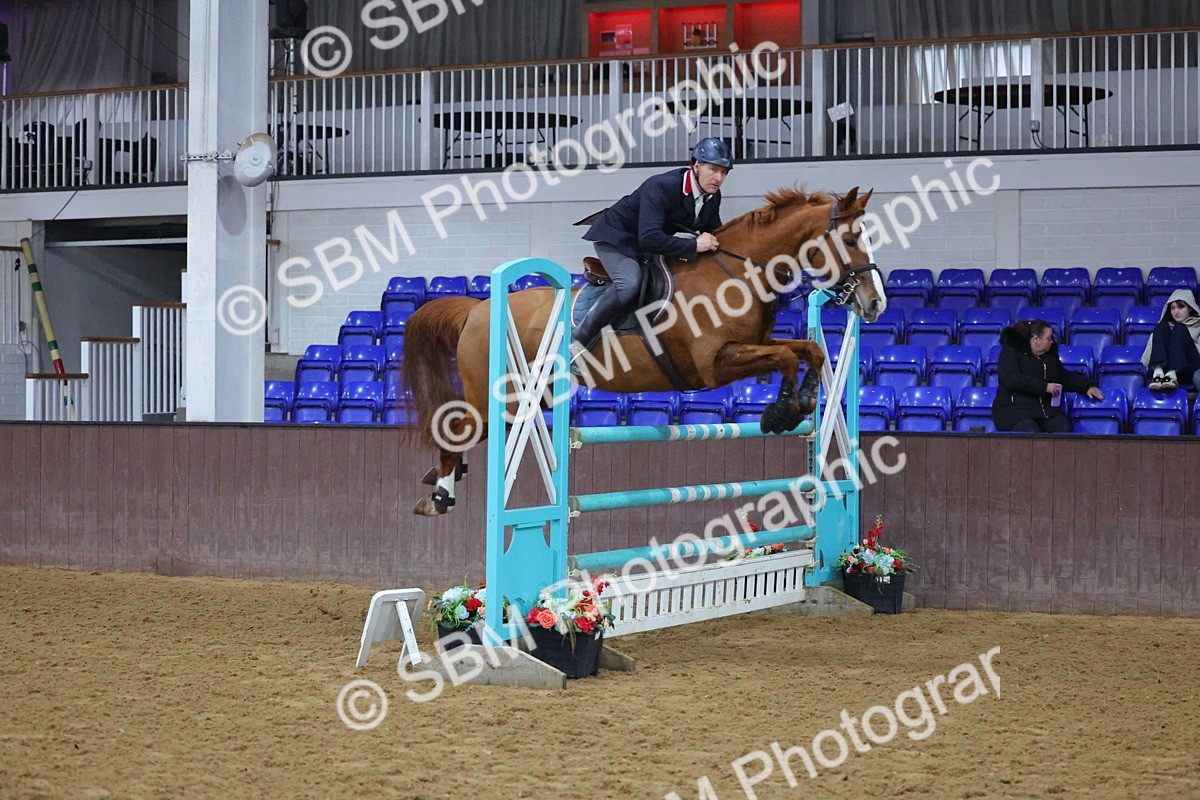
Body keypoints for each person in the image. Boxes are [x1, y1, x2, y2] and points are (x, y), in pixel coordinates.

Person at [569, 137, 732, 364]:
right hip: (618, 238)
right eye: (713, 169)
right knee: (629, 284)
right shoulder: (662, 186)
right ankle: (577, 344)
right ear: (696, 165)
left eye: (724, 172)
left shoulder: (713, 196)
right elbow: (649, 238)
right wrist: (694, 245)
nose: (718, 178)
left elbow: (714, 232)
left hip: (649, 244)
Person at [992, 319, 1104, 433]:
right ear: (1036, 339)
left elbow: (1064, 377)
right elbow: (1012, 379)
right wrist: (1044, 387)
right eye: (1048, 338)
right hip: (1014, 411)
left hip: (1045, 413)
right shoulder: (1011, 352)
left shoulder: (1050, 357)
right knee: (1028, 429)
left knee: (1062, 426)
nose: (1052, 341)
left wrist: (1087, 386)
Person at [1141, 289, 1200, 391]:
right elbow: (1146, 360)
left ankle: (1172, 373)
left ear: (1190, 308)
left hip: (1189, 370)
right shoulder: (1163, 329)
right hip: (1163, 371)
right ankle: (1158, 373)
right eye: (1172, 308)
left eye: (1181, 307)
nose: (1176, 312)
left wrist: (1183, 341)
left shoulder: (1198, 326)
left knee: (1179, 328)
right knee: (1161, 326)